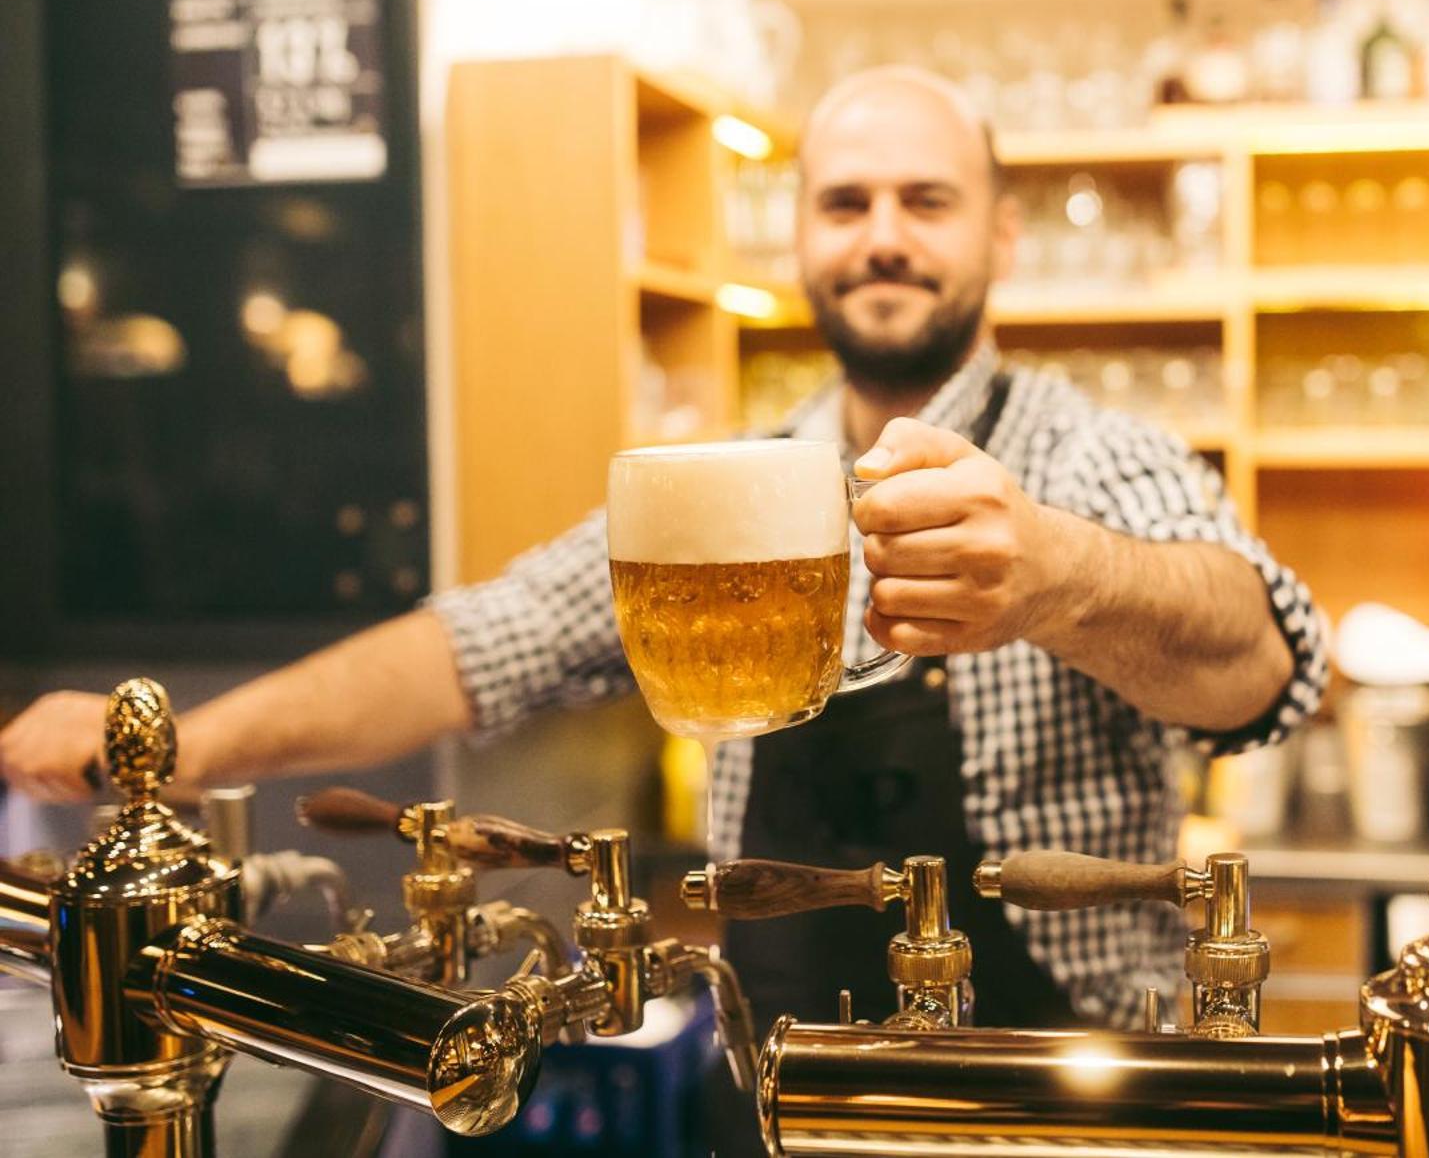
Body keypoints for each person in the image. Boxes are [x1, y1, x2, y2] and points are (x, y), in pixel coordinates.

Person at [3, 66, 1328, 1035]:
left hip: (1066, 1088)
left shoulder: (1096, 458)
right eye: (845, 200)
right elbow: (483, 643)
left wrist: (1061, 574)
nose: (882, 236)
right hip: (783, 1079)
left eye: (926, 200)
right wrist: (177, 746)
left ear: (1000, 234)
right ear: (800, 235)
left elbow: (1263, 661)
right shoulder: (742, 489)